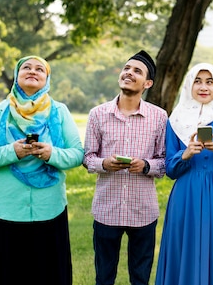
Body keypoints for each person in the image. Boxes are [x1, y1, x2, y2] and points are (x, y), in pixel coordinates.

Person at [0, 55, 84, 285]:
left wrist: (52, 153)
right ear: (16, 76)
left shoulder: (60, 112)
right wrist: (12, 152)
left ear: (47, 78)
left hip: (49, 210)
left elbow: (77, 154)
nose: (33, 71)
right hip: (6, 210)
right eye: (26, 68)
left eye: (40, 69)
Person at [83, 50, 168, 285]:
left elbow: (164, 163)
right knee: (104, 277)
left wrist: (146, 165)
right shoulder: (98, 114)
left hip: (143, 211)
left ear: (147, 83)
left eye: (137, 71)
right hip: (106, 209)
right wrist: (104, 164)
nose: (129, 73)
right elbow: (87, 157)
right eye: (126, 68)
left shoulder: (159, 117)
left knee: (140, 278)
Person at [154, 63, 213, 285]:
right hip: (186, 195)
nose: (203, 87)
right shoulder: (175, 120)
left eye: (209, 81)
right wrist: (185, 154)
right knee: (186, 246)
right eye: (198, 81)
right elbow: (170, 170)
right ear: (189, 85)